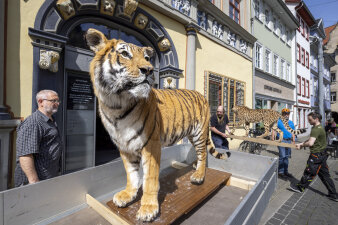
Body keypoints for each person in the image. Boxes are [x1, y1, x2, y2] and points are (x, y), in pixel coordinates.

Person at [14, 90, 62, 187]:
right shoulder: (33, 123)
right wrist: (34, 183)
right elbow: (25, 155)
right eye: (53, 101)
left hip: (48, 176)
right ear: (40, 102)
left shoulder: (50, 120)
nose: (57, 104)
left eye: (58, 101)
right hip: (36, 181)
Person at [289, 112, 338, 202]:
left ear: (316, 119)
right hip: (322, 155)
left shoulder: (316, 129)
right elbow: (312, 139)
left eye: (310, 120)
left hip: (316, 156)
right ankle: (334, 194)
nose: (308, 121)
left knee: (309, 172)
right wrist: (301, 143)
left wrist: (302, 145)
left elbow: (311, 143)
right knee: (325, 176)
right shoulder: (319, 128)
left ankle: (300, 188)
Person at [274, 108, 295, 179]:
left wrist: (294, 141)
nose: (286, 115)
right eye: (285, 114)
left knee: (287, 157)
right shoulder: (278, 121)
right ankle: (280, 172)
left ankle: (286, 171)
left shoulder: (291, 123)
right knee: (282, 156)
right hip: (281, 140)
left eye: (287, 113)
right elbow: (274, 130)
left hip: (289, 141)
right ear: (282, 114)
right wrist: (273, 138)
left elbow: (293, 132)